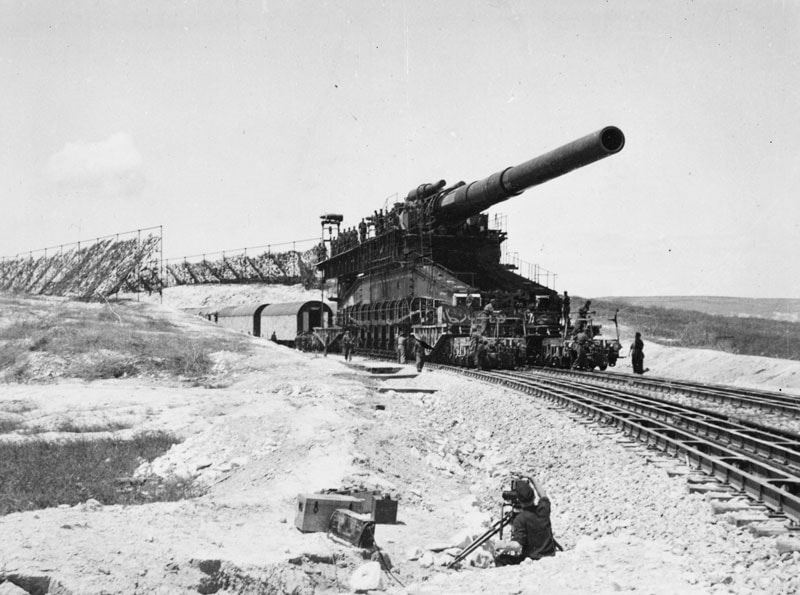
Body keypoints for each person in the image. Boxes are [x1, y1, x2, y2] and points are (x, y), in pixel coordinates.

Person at [494, 475, 560, 566]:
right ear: (533, 496)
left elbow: (517, 545)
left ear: (518, 499)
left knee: (500, 559)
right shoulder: (543, 509)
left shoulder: (520, 519)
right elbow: (543, 495)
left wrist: (502, 545)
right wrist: (532, 478)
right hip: (550, 554)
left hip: (533, 559)